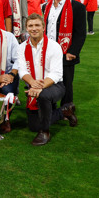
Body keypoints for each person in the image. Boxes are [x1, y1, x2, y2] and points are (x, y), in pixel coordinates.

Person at [18, 14, 76, 146]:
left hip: (55, 85)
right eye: (30, 26)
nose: (34, 28)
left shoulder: (54, 46)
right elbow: (22, 70)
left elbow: (56, 74)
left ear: (43, 27)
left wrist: (39, 87)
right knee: (33, 126)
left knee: (43, 95)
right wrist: (32, 83)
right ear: (26, 28)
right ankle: (63, 111)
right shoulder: (21, 47)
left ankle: (45, 132)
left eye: (37, 25)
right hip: (33, 85)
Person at [42, 0, 86, 121]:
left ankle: (67, 109)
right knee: (49, 80)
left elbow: (80, 33)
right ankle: (52, 108)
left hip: (66, 52)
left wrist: (73, 51)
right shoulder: (45, 6)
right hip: (48, 52)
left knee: (66, 82)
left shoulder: (77, 7)